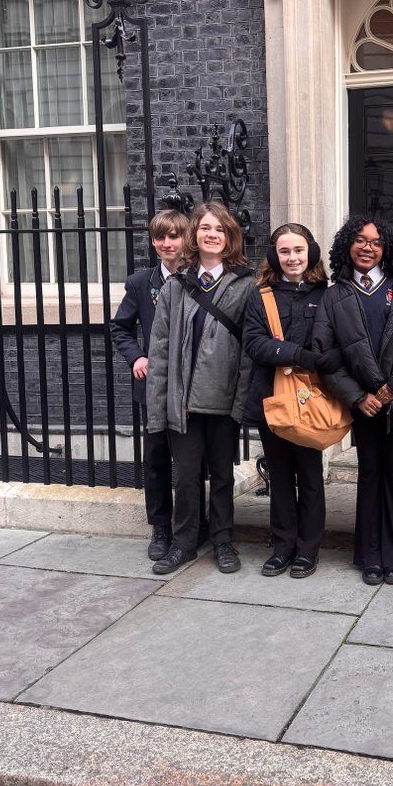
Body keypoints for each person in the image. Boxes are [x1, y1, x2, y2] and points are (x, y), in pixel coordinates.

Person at [313, 216, 393, 585]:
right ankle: (370, 555)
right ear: (347, 246)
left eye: (376, 242)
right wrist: (357, 396)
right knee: (368, 475)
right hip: (362, 404)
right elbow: (325, 354)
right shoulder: (333, 295)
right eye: (360, 240)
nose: (368, 247)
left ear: (387, 249)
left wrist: (392, 387)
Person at [145, 202, 254, 576]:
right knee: (187, 478)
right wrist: (159, 410)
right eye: (205, 228)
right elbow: (159, 351)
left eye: (220, 229)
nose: (212, 234)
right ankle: (184, 543)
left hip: (223, 402)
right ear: (195, 235)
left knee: (222, 475)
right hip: (184, 404)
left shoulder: (246, 286)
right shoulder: (175, 286)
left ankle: (223, 541)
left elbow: (249, 353)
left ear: (230, 237)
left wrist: (240, 403)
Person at [242, 224, 341, 579]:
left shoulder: (327, 294)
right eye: (284, 251)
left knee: (311, 476)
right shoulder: (261, 295)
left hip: (311, 399)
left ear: (310, 253)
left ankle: (307, 550)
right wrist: (299, 353)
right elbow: (254, 342)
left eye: (298, 250)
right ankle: (283, 547)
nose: (292, 257)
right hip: (273, 400)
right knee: (280, 477)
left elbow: (335, 342)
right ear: (274, 256)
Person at [110, 209, 192, 562]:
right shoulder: (141, 282)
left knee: (191, 463)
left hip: (192, 385)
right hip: (154, 386)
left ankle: (193, 525)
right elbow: (120, 328)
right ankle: (161, 528)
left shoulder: (197, 278)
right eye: (159, 237)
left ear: (185, 239)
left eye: (173, 236)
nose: (165, 243)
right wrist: (136, 358)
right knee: (157, 459)